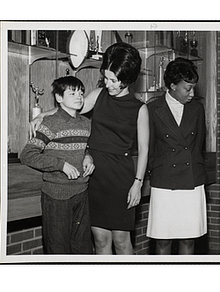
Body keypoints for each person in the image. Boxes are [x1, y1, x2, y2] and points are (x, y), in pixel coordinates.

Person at [29, 42, 149, 255]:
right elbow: (70, 108)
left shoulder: (140, 109)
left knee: (122, 240)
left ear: (127, 79)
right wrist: (43, 114)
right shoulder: (98, 95)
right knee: (101, 239)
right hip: (93, 174)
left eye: (114, 80)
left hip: (121, 177)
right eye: (106, 78)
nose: (108, 84)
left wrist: (138, 184)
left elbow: (144, 149)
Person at [21, 76, 95, 254]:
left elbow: (85, 148)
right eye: (72, 93)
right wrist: (60, 165)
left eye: (81, 92)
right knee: (58, 250)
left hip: (81, 193)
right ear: (59, 98)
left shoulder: (86, 123)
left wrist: (89, 157)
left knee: (83, 248)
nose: (79, 96)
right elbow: (27, 154)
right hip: (56, 197)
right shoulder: (50, 123)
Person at [146, 58, 207, 255]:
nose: (192, 94)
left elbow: (198, 145)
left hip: (191, 181)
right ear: (172, 86)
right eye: (187, 89)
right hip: (164, 181)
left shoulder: (197, 109)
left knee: (189, 240)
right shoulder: (152, 108)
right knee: (163, 241)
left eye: (193, 88)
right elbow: (149, 147)